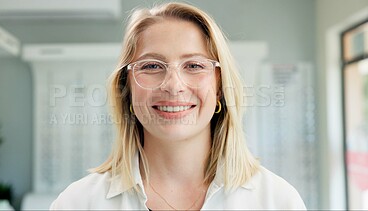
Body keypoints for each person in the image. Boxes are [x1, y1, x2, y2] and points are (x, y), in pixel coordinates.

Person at [50, 2, 306, 210]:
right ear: (127, 88)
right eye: (151, 66)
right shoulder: (76, 203)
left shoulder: (278, 201)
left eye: (194, 65)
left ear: (219, 87)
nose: (173, 85)